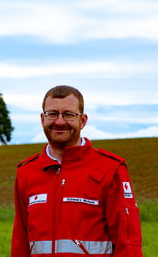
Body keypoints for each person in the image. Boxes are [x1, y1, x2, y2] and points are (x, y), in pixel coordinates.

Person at [11, 85, 143, 256]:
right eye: (52, 114)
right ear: (42, 119)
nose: (59, 121)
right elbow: (20, 243)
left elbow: (128, 245)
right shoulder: (26, 172)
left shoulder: (111, 169)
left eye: (68, 114)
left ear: (83, 121)